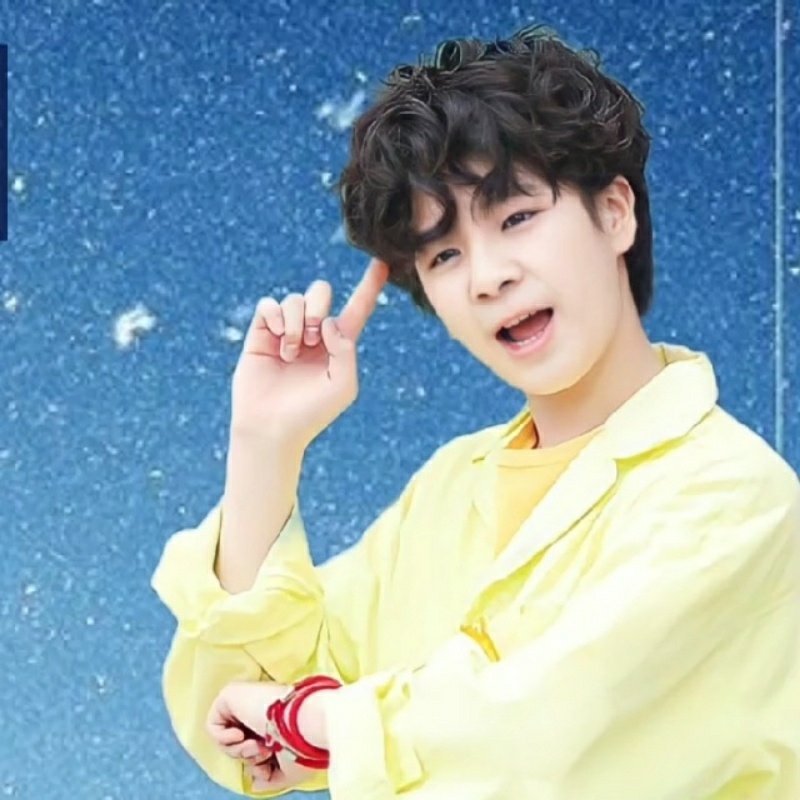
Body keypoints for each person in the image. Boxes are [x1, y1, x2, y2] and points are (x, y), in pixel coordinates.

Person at [151, 22, 800, 799]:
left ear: (614, 212)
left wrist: (320, 723)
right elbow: (239, 716)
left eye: (516, 217)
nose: (487, 277)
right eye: (444, 255)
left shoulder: (735, 494)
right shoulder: (451, 487)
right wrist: (265, 446)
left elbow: (552, 743)